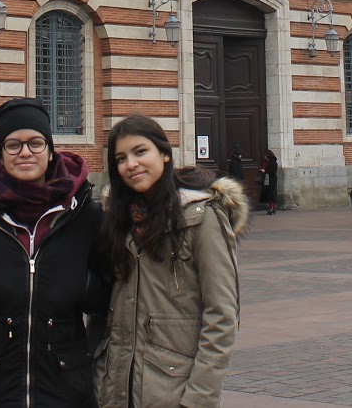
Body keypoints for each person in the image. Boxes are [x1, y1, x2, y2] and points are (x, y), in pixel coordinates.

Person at [0, 98, 109, 408]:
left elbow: (107, 290)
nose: (25, 152)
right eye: (13, 145)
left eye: (36, 143)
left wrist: (81, 286)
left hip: (64, 386)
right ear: (0, 153)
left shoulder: (85, 214)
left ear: (50, 151)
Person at [97, 115, 245, 408]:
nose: (131, 164)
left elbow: (222, 315)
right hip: (115, 390)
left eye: (141, 152)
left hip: (173, 392)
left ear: (164, 154)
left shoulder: (202, 217)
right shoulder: (116, 221)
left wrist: (199, 399)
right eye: (121, 158)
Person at [258, 148, 280, 216]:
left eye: (265, 155)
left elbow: (273, 171)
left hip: (271, 180)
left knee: (271, 194)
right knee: (268, 194)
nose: (264, 157)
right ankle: (270, 207)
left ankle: (272, 208)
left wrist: (265, 171)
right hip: (267, 179)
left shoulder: (273, 162)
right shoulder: (266, 162)